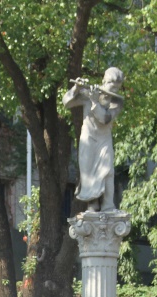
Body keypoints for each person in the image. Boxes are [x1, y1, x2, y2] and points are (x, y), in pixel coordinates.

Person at [62, 68, 124, 211]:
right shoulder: (89, 93)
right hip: (88, 138)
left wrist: (95, 102)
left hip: (104, 139)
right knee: (88, 172)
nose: (114, 90)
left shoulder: (117, 101)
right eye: (112, 85)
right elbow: (66, 103)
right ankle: (92, 204)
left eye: (117, 87)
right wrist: (76, 88)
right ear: (104, 81)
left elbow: (104, 119)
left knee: (108, 170)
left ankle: (108, 204)